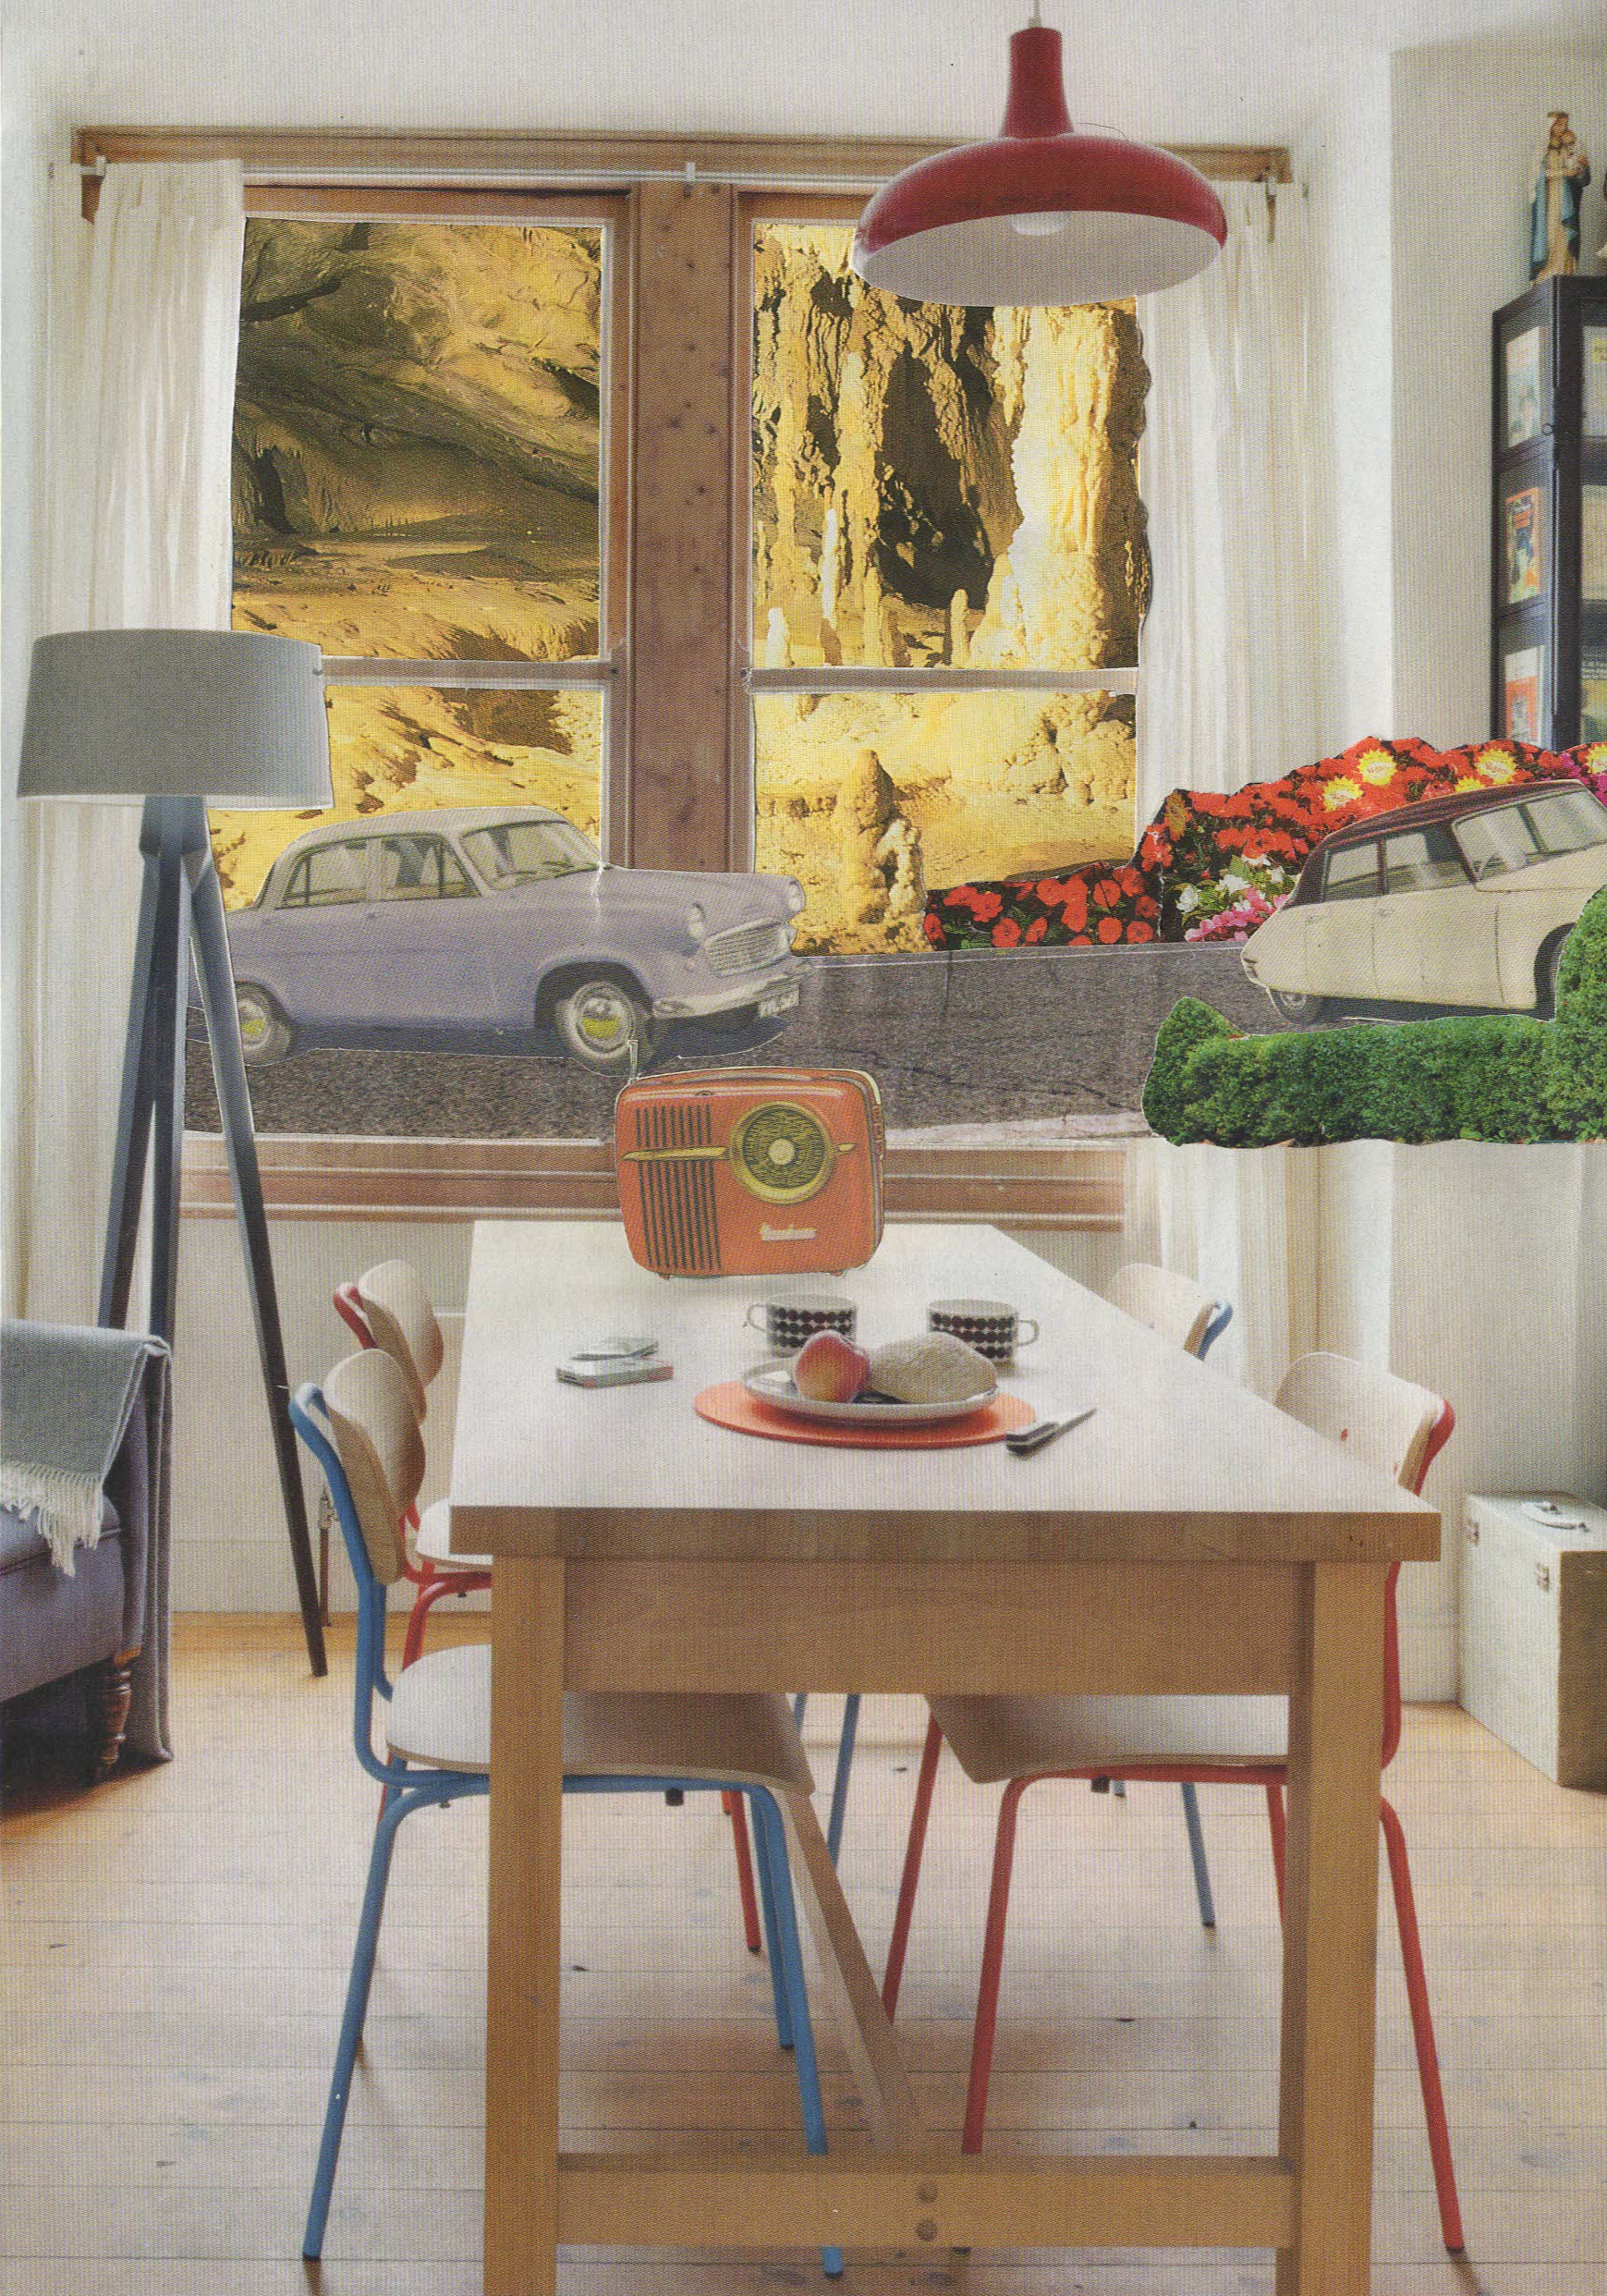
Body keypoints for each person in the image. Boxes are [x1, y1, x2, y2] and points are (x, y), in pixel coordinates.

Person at [1530, 111, 1591, 280]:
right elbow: (1539, 176)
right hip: (1550, 199)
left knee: (1565, 234)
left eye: (1564, 124)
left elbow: (1583, 180)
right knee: (1550, 234)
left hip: (1566, 200)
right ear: (1550, 126)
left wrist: (1583, 168)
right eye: (1558, 124)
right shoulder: (1543, 150)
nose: (1561, 128)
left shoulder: (1570, 148)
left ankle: (1565, 271)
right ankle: (1547, 273)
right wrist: (1564, 172)